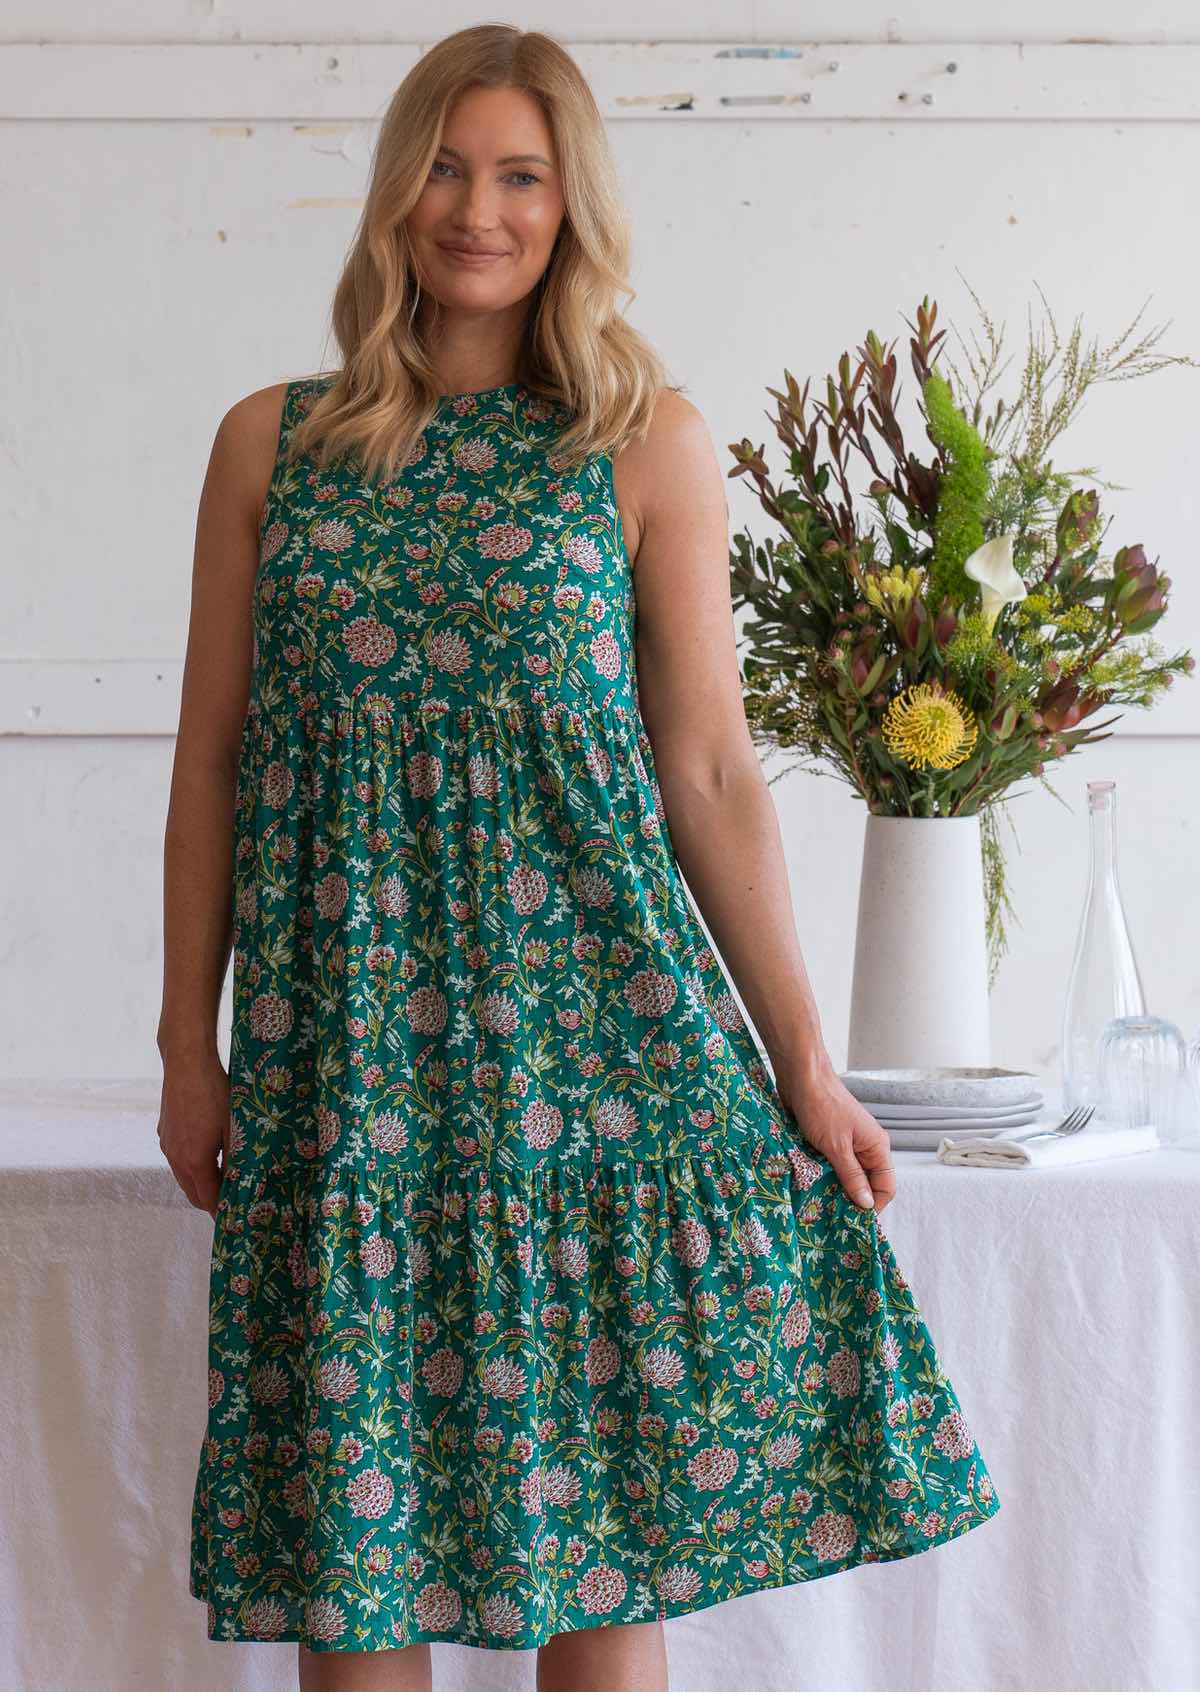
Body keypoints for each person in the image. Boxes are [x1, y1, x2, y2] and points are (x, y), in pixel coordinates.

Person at [157, 23, 1001, 1692]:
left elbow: (710, 772)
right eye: (446, 168)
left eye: (521, 176)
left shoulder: (641, 442)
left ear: (571, 206)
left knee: (609, 1532)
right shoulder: (274, 445)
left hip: (601, 1055)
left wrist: (804, 1063)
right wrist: (190, 1043)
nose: (477, 210)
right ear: (395, 190)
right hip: (351, 1062)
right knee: (356, 1561)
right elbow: (213, 766)